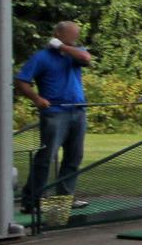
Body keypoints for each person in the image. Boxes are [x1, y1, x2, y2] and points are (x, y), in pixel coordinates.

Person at [15, 22, 94, 212]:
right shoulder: (41, 57)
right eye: (72, 34)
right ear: (58, 33)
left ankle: (64, 198)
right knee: (46, 157)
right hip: (55, 113)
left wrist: (62, 47)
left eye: (76, 34)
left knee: (74, 157)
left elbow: (85, 58)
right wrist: (37, 99)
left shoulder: (75, 53)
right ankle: (31, 201)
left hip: (78, 111)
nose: (75, 37)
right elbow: (21, 81)